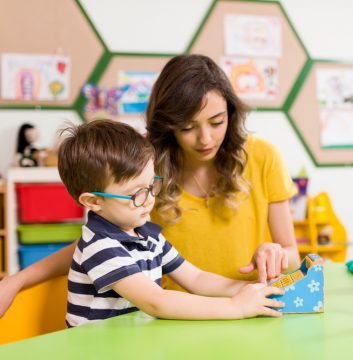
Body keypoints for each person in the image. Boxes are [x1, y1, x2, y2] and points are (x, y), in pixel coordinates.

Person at [0, 54, 300, 317]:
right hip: (172, 319)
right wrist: (18, 279)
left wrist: (255, 289)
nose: (205, 139)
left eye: (217, 121)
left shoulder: (263, 157)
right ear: (168, 126)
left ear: (231, 115)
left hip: (235, 308)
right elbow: (96, 246)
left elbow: (197, 277)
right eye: (187, 127)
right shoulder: (141, 168)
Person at [60, 120, 284, 326]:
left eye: (151, 185)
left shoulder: (147, 235)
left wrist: (251, 289)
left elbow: (196, 278)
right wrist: (235, 307)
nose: (150, 200)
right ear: (93, 201)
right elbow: (156, 302)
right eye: (136, 194)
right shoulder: (100, 246)